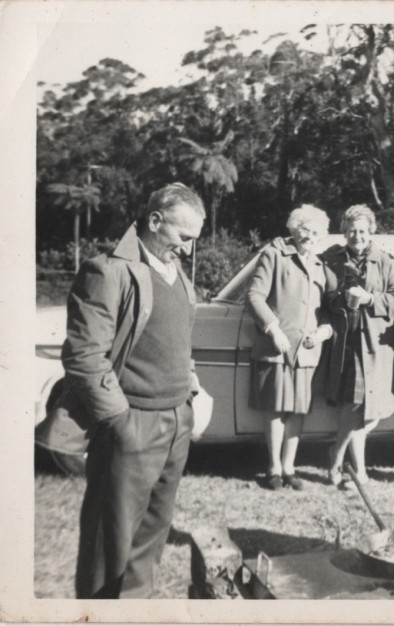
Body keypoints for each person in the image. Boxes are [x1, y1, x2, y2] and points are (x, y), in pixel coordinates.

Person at [64, 183, 205, 599]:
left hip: (177, 422)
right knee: (110, 548)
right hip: (133, 425)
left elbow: (174, 340)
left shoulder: (174, 270)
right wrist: (119, 421)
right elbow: (84, 355)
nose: (189, 250)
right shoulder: (108, 270)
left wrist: (192, 390)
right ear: (154, 221)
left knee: (149, 544)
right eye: (184, 237)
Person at [321, 205, 394, 487]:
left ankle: (336, 456)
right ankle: (358, 472)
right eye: (350, 230)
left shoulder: (384, 262)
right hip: (343, 343)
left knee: (362, 404)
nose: (356, 236)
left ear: (371, 231)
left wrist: (370, 299)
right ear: (343, 232)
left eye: (361, 230)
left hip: (373, 345)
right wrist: (338, 300)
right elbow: (319, 295)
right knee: (355, 404)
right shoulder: (331, 259)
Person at [246, 205, 333, 491]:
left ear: (322, 236)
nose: (310, 235)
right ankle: (272, 468)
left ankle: (289, 467)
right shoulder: (274, 255)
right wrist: (272, 329)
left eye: (316, 231)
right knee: (276, 408)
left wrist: (324, 331)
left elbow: (330, 311)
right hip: (277, 347)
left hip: (307, 351)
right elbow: (254, 296)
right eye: (305, 229)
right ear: (294, 229)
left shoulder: (322, 267)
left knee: (298, 410)